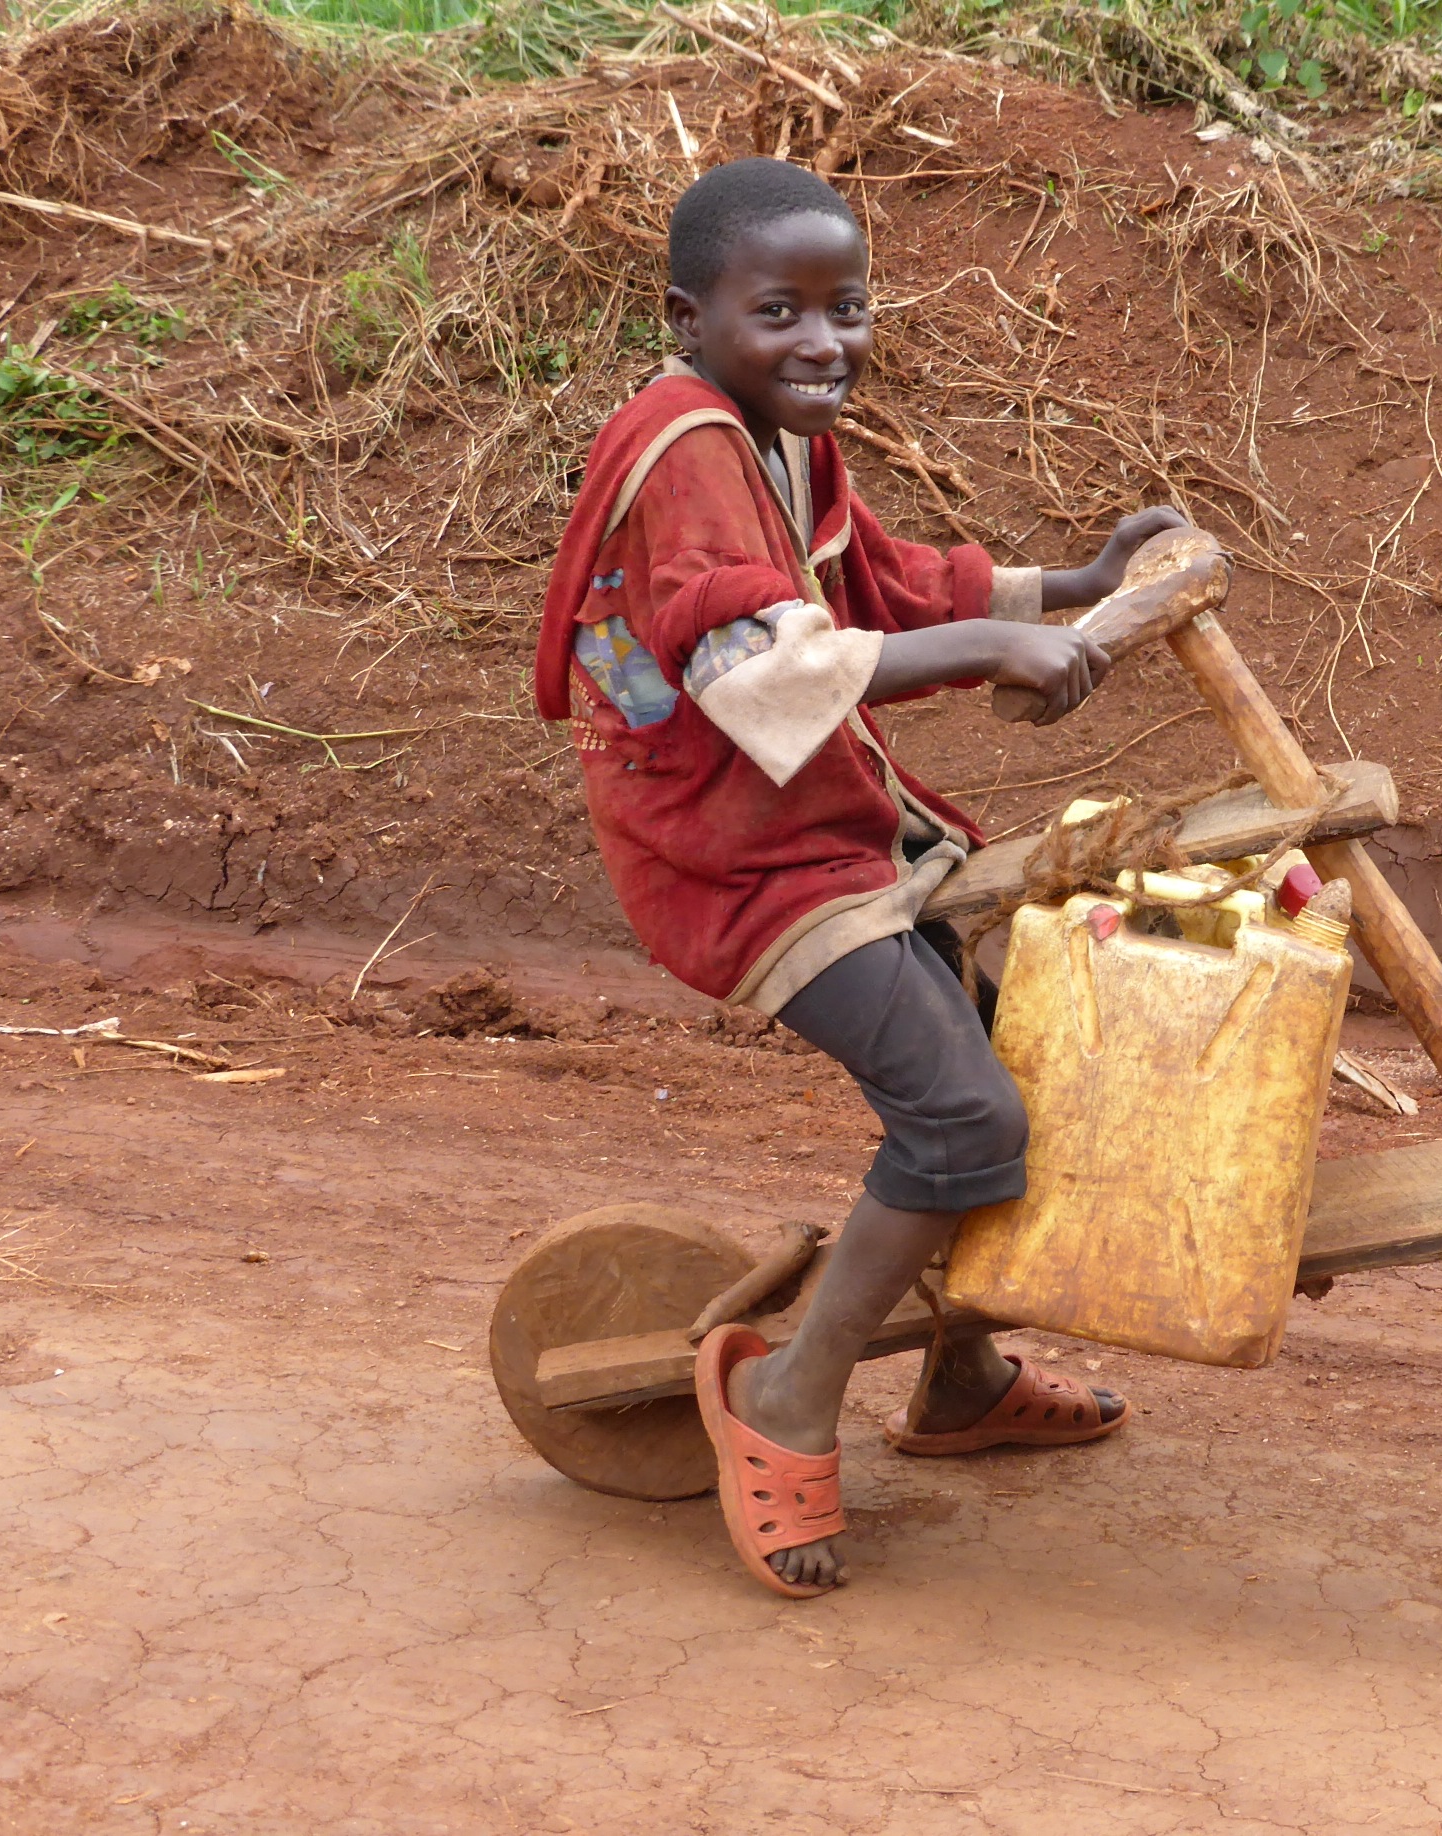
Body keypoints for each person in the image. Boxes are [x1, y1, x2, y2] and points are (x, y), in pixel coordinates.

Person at [534, 157, 1186, 1597]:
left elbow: (876, 585)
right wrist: (988, 653)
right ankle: (785, 1397)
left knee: (1022, 1040)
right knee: (961, 1115)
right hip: (740, 860)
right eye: (782, 310)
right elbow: (752, 664)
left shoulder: (778, 431)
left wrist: (1075, 589)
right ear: (688, 315)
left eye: (849, 306)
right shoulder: (683, 455)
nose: (826, 340)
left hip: (835, 826)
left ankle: (958, 1377)